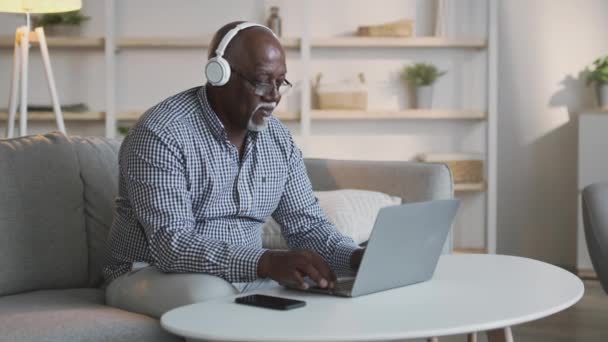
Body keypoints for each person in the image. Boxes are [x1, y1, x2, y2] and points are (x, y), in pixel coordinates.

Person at [103, 21, 364, 318]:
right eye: (263, 81)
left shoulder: (277, 139)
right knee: (212, 297)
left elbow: (308, 225)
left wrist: (357, 258)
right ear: (219, 74)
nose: (275, 95)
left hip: (246, 274)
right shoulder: (161, 133)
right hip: (148, 273)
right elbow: (171, 244)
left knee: (327, 289)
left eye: (281, 82)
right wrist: (265, 262)